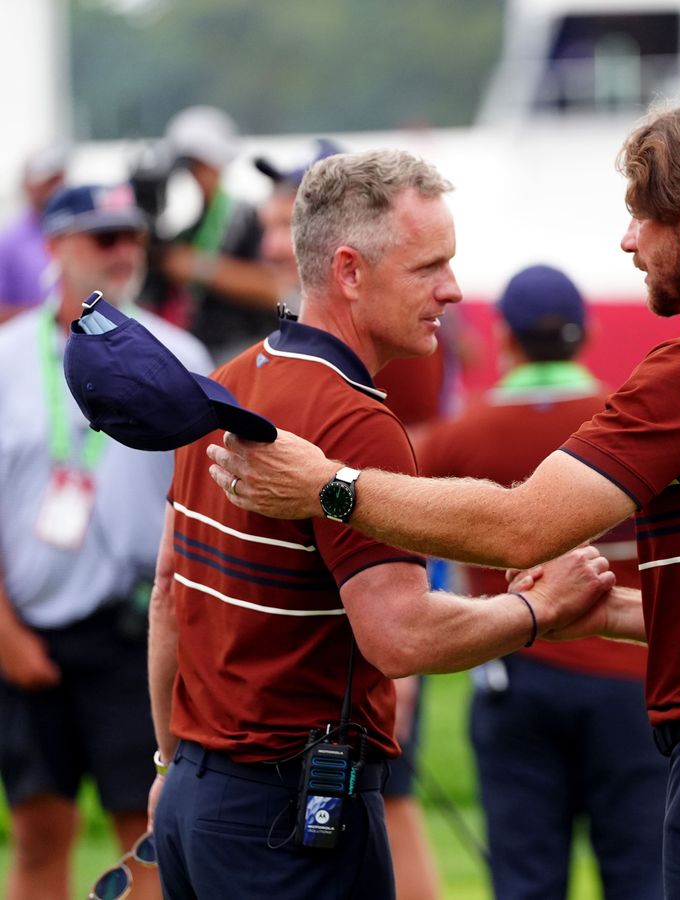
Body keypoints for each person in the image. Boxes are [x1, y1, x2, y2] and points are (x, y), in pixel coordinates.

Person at [208, 99, 680, 900]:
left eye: (640, 218)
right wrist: (600, 611)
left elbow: (521, 527)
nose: (627, 241)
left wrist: (328, 488)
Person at [146, 149, 614, 899]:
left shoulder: (224, 387)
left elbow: (170, 593)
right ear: (351, 272)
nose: (454, 289)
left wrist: (170, 769)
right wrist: (538, 609)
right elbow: (399, 637)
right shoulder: (354, 421)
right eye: (429, 266)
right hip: (291, 814)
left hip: (197, 800)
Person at [418, 263, 665, 900]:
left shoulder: (458, 438)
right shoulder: (636, 425)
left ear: (504, 339)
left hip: (515, 678)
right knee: (644, 872)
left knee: (525, 878)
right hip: (633, 679)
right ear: (584, 336)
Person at [0, 182, 210, 900]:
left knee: (145, 838)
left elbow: (206, 499)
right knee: (37, 829)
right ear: (55, 247)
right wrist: (2, 629)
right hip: (27, 628)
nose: (125, 252)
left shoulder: (176, 351)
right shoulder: (5, 357)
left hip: (136, 628)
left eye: (133, 237)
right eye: (104, 238)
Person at [255, 139, 442, 900]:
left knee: (389, 798)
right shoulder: (264, 360)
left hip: (385, 573)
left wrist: (334, 491)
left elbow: (415, 474)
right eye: (268, 219)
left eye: (286, 217)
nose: (273, 237)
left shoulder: (392, 360)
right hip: (285, 707)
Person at [157, 105, 280, 364]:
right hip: (200, 355)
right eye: (191, 166)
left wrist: (198, 267)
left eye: (199, 165)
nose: (196, 174)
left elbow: (276, 288)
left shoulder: (247, 217)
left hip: (245, 353)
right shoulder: (186, 229)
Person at [0, 144, 68, 322]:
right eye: (49, 181)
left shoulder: (77, 233)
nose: (56, 188)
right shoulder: (8, 241)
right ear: (27, 185)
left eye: (59, 179)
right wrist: (53, 316)